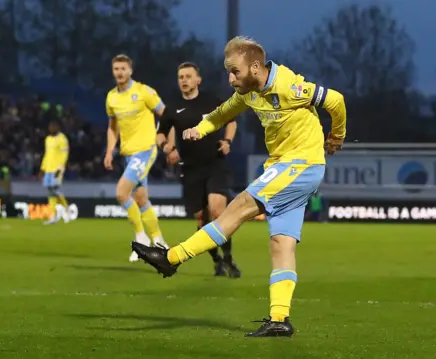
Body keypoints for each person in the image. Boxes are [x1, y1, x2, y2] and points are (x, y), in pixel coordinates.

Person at [132, 36, 347, 337]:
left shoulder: (287, 86)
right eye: (227, 71)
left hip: (300, 164)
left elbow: (335, 100)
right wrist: (199, 129)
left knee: (238, 207)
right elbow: (221, 114)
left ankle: (171, 258)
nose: (230, 78)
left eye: (235, 71)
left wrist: (336, 136)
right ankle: (279, 319)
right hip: (290, 166)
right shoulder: (249, 92)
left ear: (256, 67)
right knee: (281, 243)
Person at [157, 62, 241, 278]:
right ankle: (217, 261)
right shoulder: (172, 107)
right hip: (190, 169)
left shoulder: (212, 101)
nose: (183, 80)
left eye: (188, 76)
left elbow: (231, 121)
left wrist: (227, 141)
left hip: (215, 163)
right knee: (201, 221)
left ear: (198, 80)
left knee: (217, 211)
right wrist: (167, 147)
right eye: (180, 77)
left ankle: (229, 258)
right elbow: (161, 133)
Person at [104, 54, 169, 262]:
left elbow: (166, 115)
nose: (120, 72)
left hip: (145, 150)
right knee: (141, 199)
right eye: (116, 69)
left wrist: (165, 139)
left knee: (122, 193)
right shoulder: (111, 98)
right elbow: (112, 127)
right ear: (113, 72)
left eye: (123, 68)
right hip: (127, 153)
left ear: (130, 71)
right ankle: (159, 241)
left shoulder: (144, 92)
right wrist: (109, 151)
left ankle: (141, 240)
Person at [39, 120, 71, 225]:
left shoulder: (62, 139)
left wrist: (60, 169)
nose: (51, 129)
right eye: (50, 127)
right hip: (48, 169)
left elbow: (64, 155)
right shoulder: (47, 139)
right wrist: (42, 169)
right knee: (50, 192)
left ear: (58, 128)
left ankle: (67, 209)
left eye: (53, 127)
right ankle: (53, 216)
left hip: (57, 169)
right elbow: (46, 155)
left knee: (54, 190)